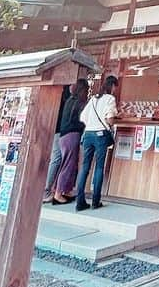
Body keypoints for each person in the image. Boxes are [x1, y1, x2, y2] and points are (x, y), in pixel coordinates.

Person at [75, 74, 118, 212]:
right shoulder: (110, 98)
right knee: (99, 167)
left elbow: (83, 117)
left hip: (88, 134)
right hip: (100, 135)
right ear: (112, 86)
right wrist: (109, 124)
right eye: (115, 87)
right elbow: (110, 119)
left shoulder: (94, 98)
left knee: (85, 167)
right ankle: (95, 201)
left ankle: (80, 201)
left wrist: (92, 124)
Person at [46, 78, 88, 204]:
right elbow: (82, 119)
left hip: (63, 135)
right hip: (71, 135)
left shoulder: (69, 101)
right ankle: (58, 193)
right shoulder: (79, 103)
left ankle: (64, 190)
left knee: (66, 163)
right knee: (67, 164)